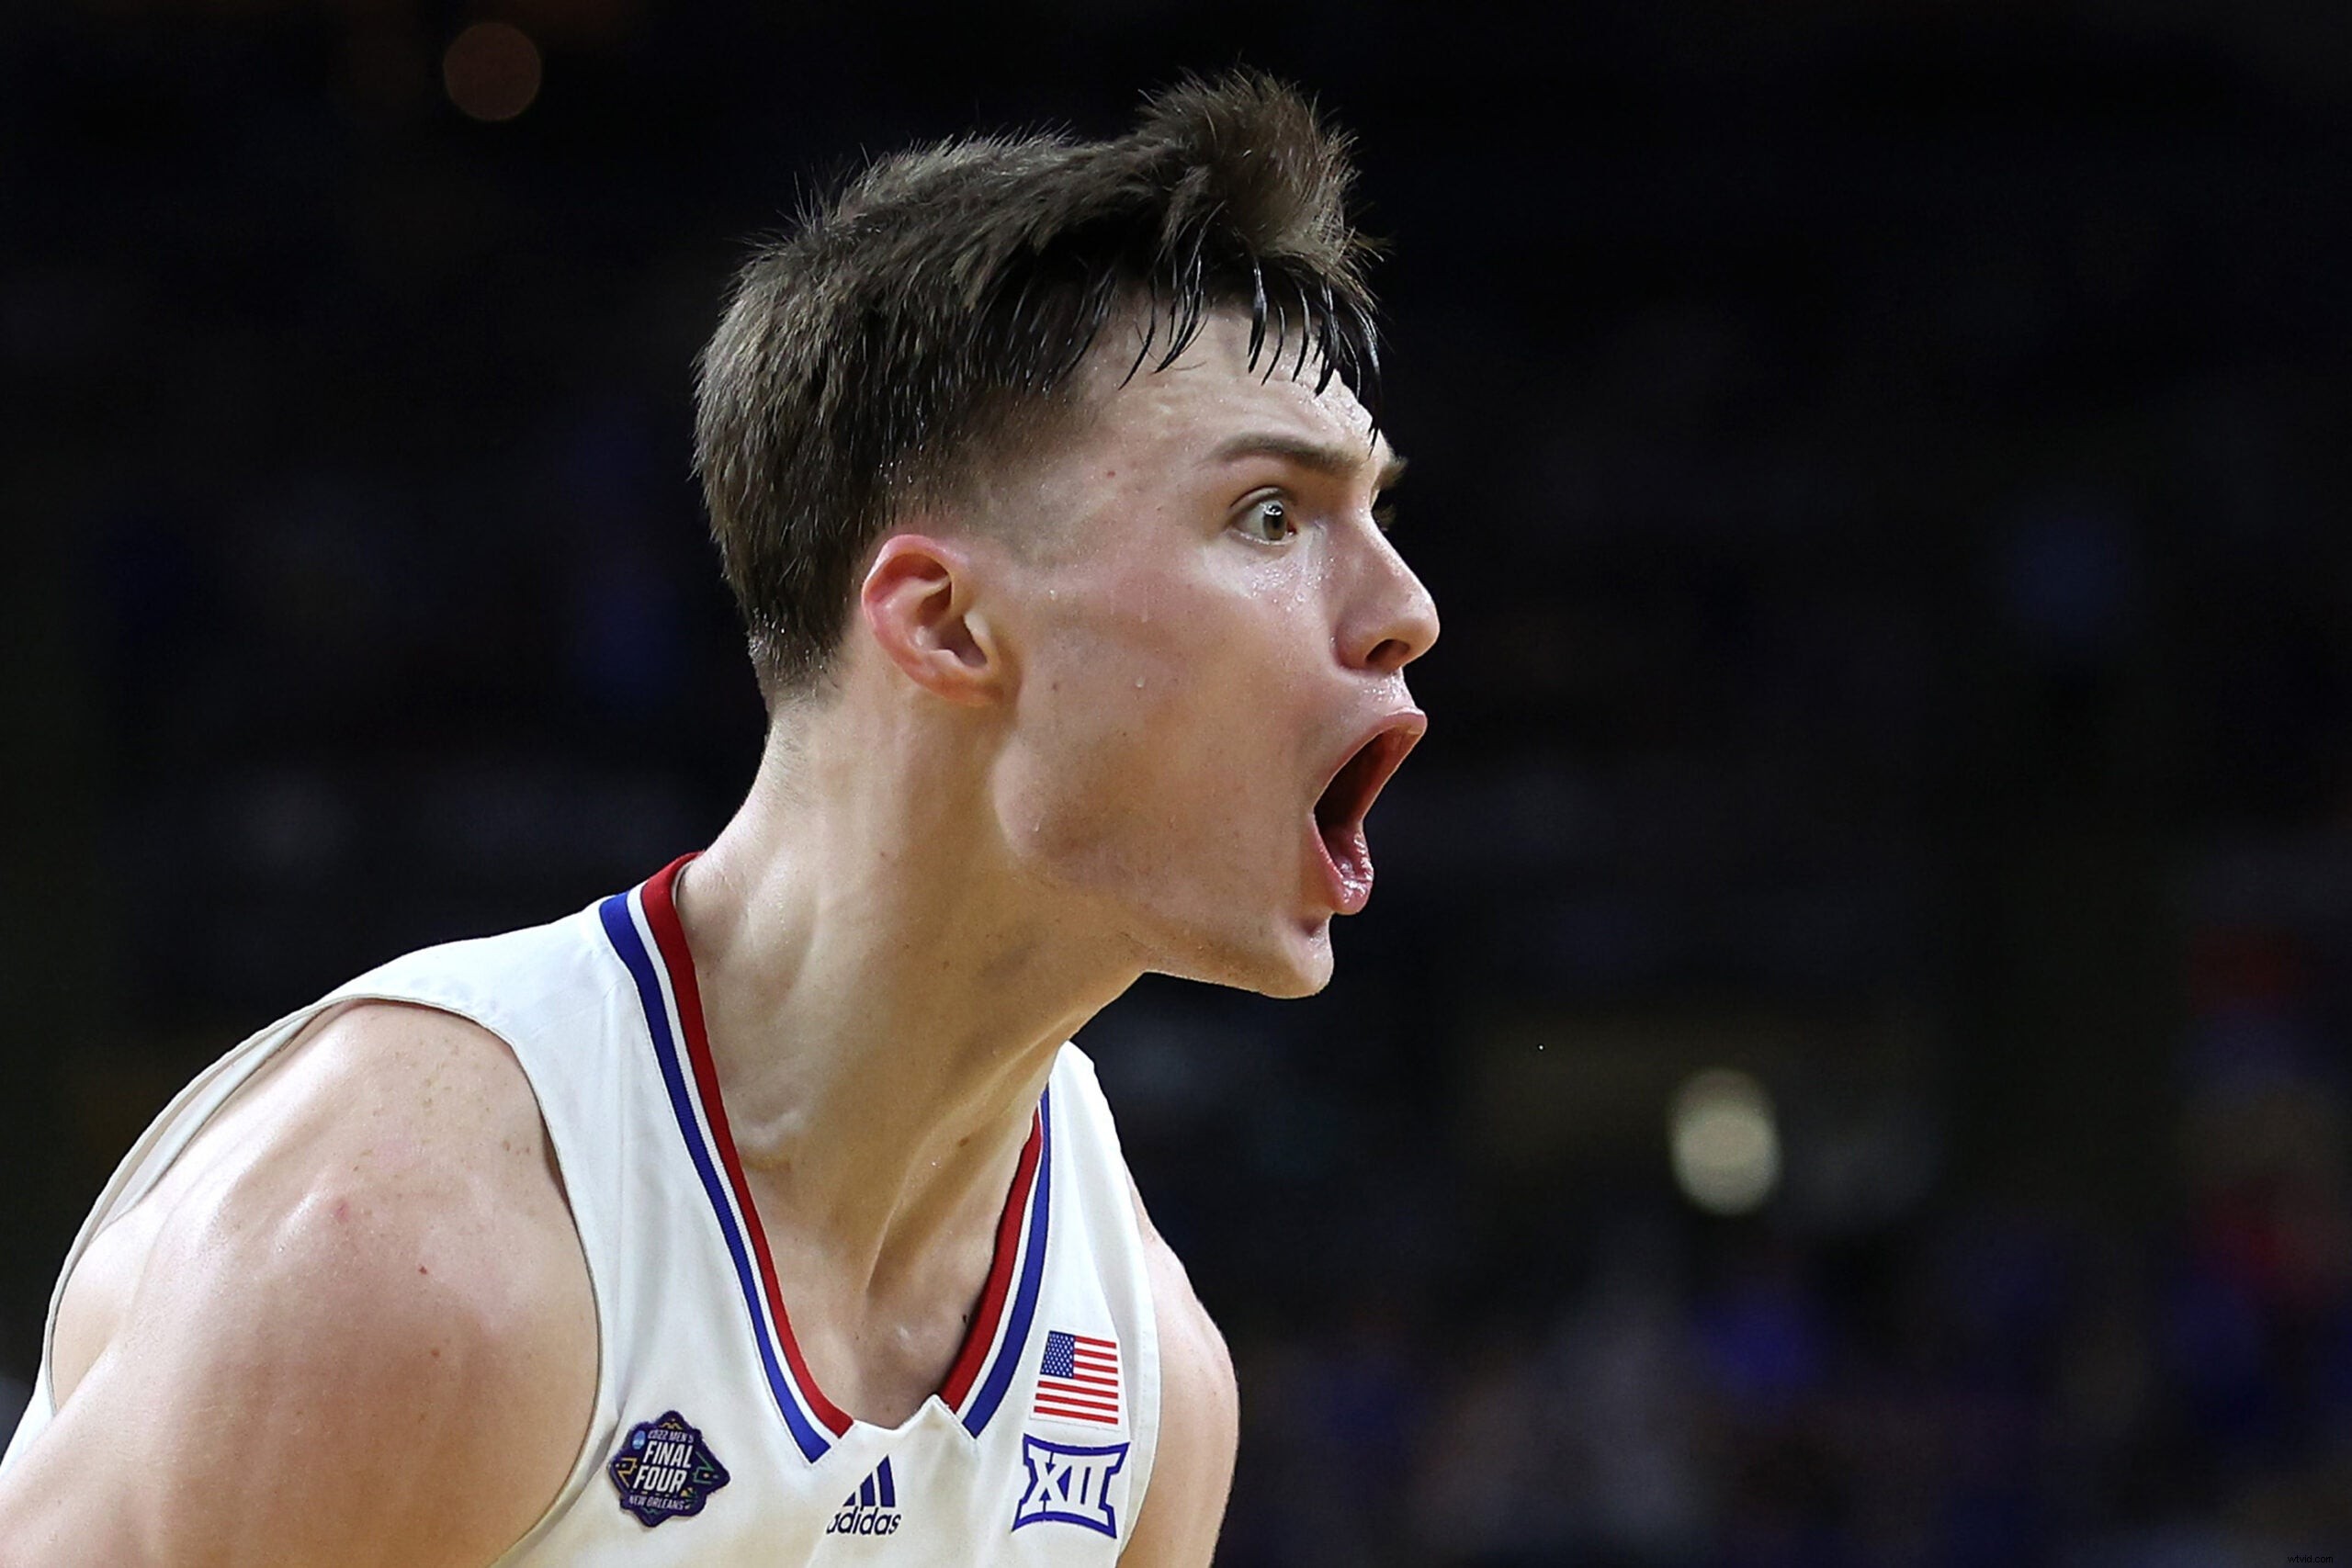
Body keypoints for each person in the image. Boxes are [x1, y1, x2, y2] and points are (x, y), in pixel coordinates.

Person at [0, 71, 1437, 1566]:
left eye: (1378, 518)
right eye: (1271, 516)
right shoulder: (410, 1259)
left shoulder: (1145, 1383)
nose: (1407, 609)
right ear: (943, 624)